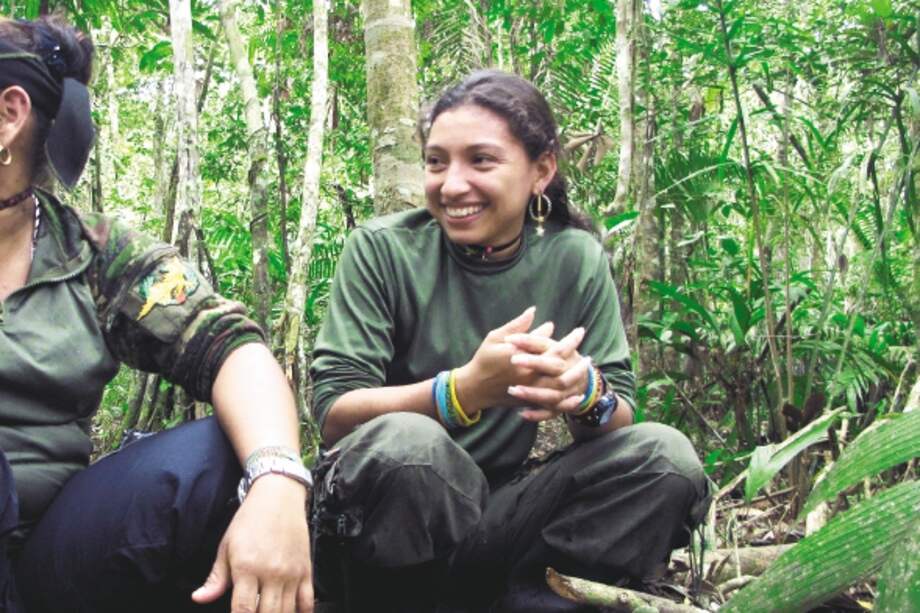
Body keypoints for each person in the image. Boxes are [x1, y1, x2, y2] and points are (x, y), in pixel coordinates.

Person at [309, 69, 711, 612]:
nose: (451, 184)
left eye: (481, 160)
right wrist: (463, 391)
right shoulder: (382, 251)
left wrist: (586, 394)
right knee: (411, 447)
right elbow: (334, 412)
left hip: (496, 522)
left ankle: (534, 602)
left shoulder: (574, 257)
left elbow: (621, 414)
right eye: (436, 161)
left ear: (540, 170)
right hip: (387, 530)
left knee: (667, 457)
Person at [0, 16, 313, 613]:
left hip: (50, 557)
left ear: (9, 114)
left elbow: (230, 348)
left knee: (212, 459)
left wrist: (275, 480)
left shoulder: (96, 254)